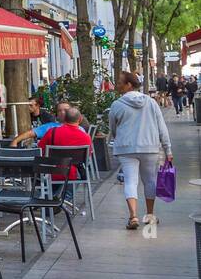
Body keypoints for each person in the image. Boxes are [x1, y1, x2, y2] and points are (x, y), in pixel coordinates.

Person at [107, 71, 173, 230]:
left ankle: (133, 217)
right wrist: (167, 149)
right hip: (149, 147)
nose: (117, 85)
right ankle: (150, 216)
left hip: (126, 148)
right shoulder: (151, 103)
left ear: (129, 84)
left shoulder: (117, 104)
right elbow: (161, 127)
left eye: (120, 82)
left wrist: (119, 138)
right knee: (149, 180)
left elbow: (112, 128)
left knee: (130, 181)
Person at [37, 106, 93, 182]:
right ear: (80, 119)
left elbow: (40, 149)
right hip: (73, 174)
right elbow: (87, 157)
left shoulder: (52, 132)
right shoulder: (86, 137)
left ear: (65, 119)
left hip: (51, 172)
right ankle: (65, 193)